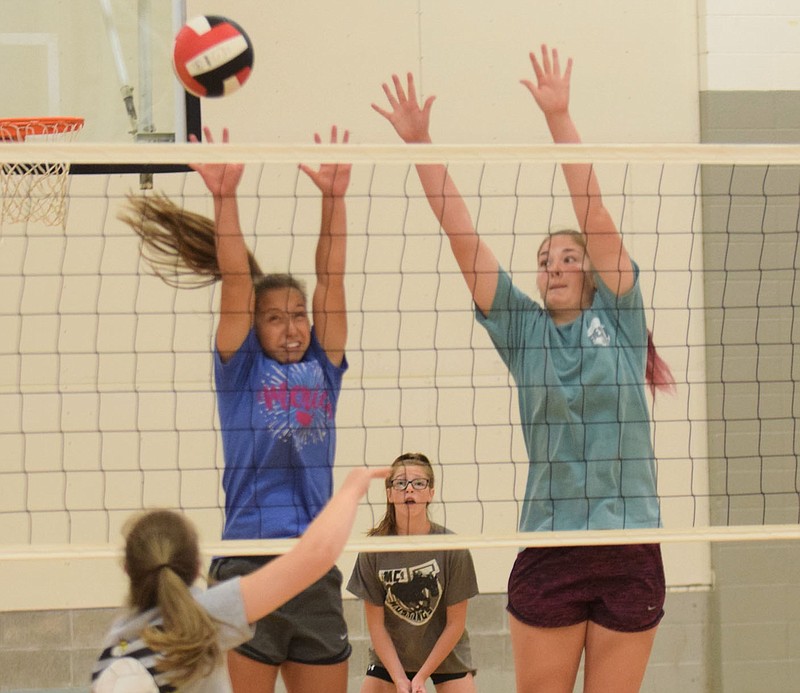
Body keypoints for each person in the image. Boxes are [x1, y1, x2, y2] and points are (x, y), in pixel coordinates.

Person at [373, 45, 675, 693]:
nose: (556, 265)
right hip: (553, 545)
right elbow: (461, 234)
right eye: (545, 259)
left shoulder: (620, 317)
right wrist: (421, 143)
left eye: (569, 257)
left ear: (592, 272)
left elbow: (594, 213)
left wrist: (559, 117)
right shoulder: (523, 328)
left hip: (631, 548)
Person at [119, 125, 354, 693]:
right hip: (249, 563)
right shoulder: (241, 369)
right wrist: (224, 199)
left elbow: (332, 277)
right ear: (256, 324)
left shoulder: (325, 365)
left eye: (299, 315)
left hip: (314, 568)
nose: (293, 326)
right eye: (276, 316)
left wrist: (334, 199)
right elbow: (235, 280)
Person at [90, 466, 390, 693]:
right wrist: (351, 490)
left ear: (127, 568)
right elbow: (316, 555)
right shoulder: (206, 615)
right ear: (197, 567)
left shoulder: (116, 639)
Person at [347, 453, 478, 693]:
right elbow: (376, 627)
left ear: (430, 493)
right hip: (392, 657)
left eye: (419, 483)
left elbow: (455, 624)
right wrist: (399, 679)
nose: (410, 490)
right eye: (400, 483)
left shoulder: (452, 547)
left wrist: (421, 677)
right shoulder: (374, 548)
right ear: (389, 494)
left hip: (445, 654)